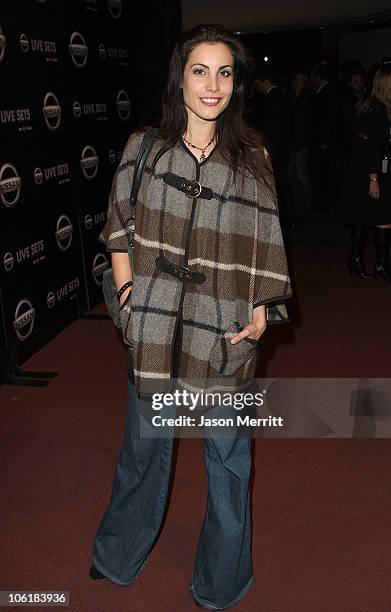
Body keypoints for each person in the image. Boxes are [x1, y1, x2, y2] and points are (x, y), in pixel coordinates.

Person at [89, 24, 292, 610]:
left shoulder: (253, 156)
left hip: (223, 330)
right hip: (153, 328)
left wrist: (261, 309)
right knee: (142, 453)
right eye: (200, 70)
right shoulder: (145, 148)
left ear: (236, 83)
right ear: (180, 76)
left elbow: (268, 239)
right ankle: (118, 553)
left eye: (224, 72)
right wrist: (129, 303)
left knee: (229, 465)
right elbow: (119, 229)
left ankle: (222, 580)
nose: (212, 85)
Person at [339, 65, 391, 281]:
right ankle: (369, 262)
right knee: (376, 215)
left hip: (377, 170)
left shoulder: (378, 108)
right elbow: (368, 148)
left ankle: (365, 261)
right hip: (372, 172)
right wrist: (373, 178)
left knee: (372, 215)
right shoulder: (376, 111)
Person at [252, 68, 295, 228]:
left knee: (280, 183)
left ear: (266, 82)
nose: (258, 89)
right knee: (281, 182)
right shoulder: (281, 97)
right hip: (281, 146)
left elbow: (272, 128)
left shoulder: (273, 98)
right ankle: (289, 218)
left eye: (259, 85)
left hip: (275, 148)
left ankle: (288, 218)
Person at [309, 64, 338, 212]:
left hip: (323, 142)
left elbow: (328, 118)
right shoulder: (324, 92)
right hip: (321, 141)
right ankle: (325, 204)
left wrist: (326, 140)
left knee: (325, 174)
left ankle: (327, 205)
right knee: (323, 173)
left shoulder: (327, 93)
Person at [288, 70, 312, 218]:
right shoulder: (290, 96)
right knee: (292, 174)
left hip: (301, 142)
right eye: (296, 79)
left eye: (301, 80)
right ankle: (296, 204)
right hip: (291, 141)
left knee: (301, 174)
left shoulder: (308, 98)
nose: (297, 82)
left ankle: (306, 207)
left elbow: (307, 123)